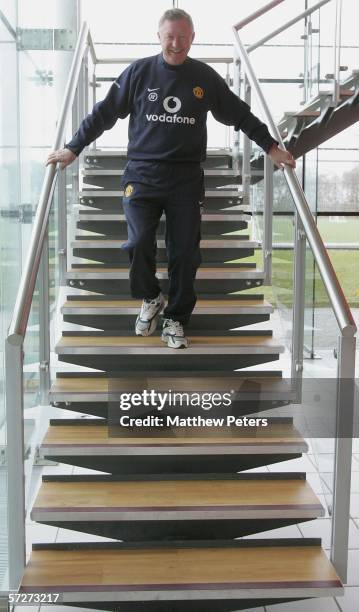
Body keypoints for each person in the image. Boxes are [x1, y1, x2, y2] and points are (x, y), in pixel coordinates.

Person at [46, 8, 295, 349]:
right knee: (137, 243)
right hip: (142, 175)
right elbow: (104, 113)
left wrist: (270, 147)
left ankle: (176, 318)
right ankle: (150, 297)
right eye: (169, 36)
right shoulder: (138, 73)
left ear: (192, 38)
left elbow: (239, 114)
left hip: (186, 180)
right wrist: (73, 148)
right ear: (159, 36)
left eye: (182, 37)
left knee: (185, 255)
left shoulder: (204, 78)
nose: (176, 44)